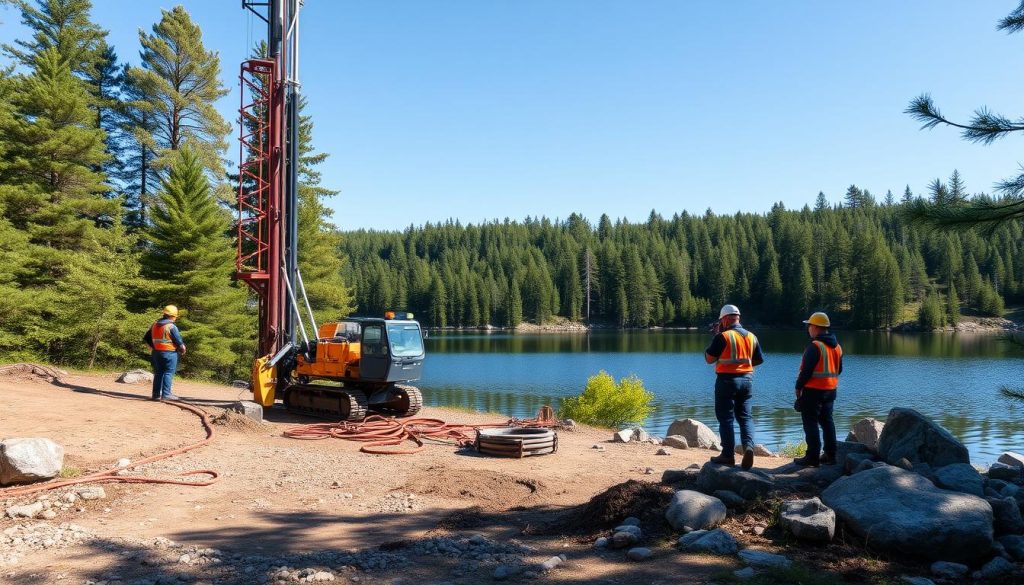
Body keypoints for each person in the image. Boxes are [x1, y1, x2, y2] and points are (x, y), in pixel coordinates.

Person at [704, 304, 764, 469]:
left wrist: (716, 337)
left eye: (720, 321)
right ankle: (749, 447)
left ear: (724, 319)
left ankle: (728, 455)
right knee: (745, 417)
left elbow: (709, 359)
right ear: (738, 318)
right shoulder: (752, 336)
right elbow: (758, 360)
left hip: (726, 381)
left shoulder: (723, 337)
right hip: (746, 381)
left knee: (726, 418)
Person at [793, 311, 843, 467]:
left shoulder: (815, 346)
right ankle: (830, 455)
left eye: (809, 326)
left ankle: (812, 457)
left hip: (813, 391)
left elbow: (806, 371)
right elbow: (839, 369)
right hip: (830, 390)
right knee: (827, 421)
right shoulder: (837, 347)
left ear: (815, 327)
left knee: (810, 422)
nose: (808, 329)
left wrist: (798, 387)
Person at [143, 305, 187, 401]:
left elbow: (146, 337)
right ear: (172, 316)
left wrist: (153, 346)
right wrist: (183, 349)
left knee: (158, 373)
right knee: (168, 372)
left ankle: (155, 395)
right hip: (169, 353)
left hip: (156, 353)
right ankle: (166, 394)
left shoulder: (154, 324)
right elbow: (179, 342)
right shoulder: (171, 326)